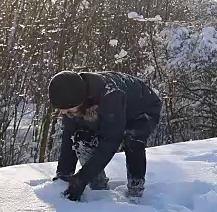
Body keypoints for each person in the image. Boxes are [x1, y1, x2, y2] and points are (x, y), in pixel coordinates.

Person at [48, 70, 162, 201]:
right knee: (81, 138)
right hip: (107, 111)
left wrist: (83, 176)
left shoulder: (110, 95)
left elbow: (111, 141)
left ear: (79, 100)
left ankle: (136, 191)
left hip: (142, 109)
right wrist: (63, 175)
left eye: (66, 108)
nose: (62, 112)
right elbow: (69, 135)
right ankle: (98, 187)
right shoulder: (70, 98)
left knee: (132, 139)